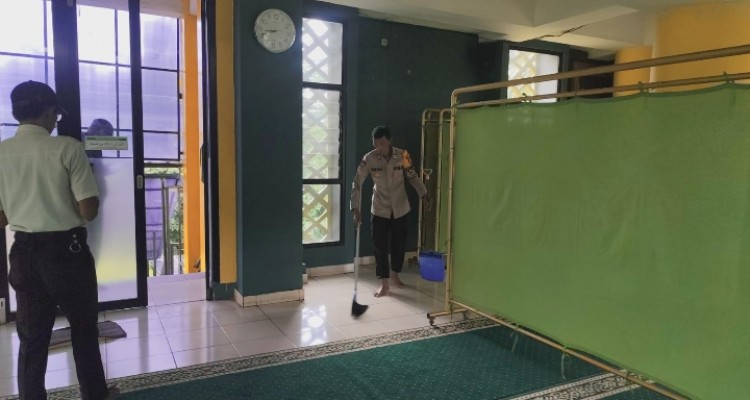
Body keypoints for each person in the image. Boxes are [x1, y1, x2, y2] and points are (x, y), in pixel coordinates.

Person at [0, 81, 116, 399]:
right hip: (67, 252)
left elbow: (2, 218)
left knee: (32, 337)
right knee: (83, 330)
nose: (55, 121)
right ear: (49, 112)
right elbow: (88, 210)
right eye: (56, 115)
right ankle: (95, 394)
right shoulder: (68, 148)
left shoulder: (2, 153)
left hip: (23, 253)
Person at [351, 126, 429, 297]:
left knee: (399, 244)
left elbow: (412, 176)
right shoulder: (369, 158)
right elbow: (357, 182)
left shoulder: (403, 155)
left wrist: (423, 194)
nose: (379, 148)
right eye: (375, 144)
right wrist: (355, 207)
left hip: (401, 208)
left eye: (382, 143)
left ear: (389, 141)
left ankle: (395, 274)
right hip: (380, 209)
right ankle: (384, 283)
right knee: (379, 247)